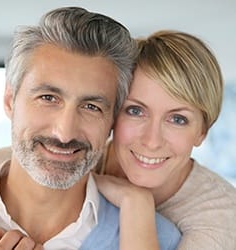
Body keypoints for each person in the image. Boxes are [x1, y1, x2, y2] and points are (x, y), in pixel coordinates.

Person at [0, 7, 181, 250]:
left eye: (91, 106)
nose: (64, 133)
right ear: (9, 100)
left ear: (113, 121)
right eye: (48, 98)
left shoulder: (161, 239)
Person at [94, 30, 236, 249]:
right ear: (113, 114)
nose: (152, 141)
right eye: (135, 111)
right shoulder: (80, 159)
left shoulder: (221, 218)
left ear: (202, 132)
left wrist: (136, 203)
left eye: (178, 119)